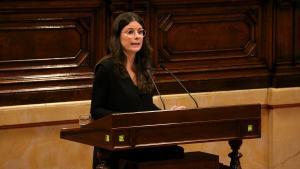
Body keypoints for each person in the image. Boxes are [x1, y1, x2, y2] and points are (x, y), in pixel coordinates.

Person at [90, 12, 184, 169]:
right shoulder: (106, 68)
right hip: (118, 141)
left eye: (140, 32)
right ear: (117, 37)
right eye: (130, 32)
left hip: (141, 139)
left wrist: (165, 114)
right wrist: (127, 119)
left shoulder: (143, 69)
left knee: (175, 151)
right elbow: (96, 110)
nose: (137, 37)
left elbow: (145, 107)